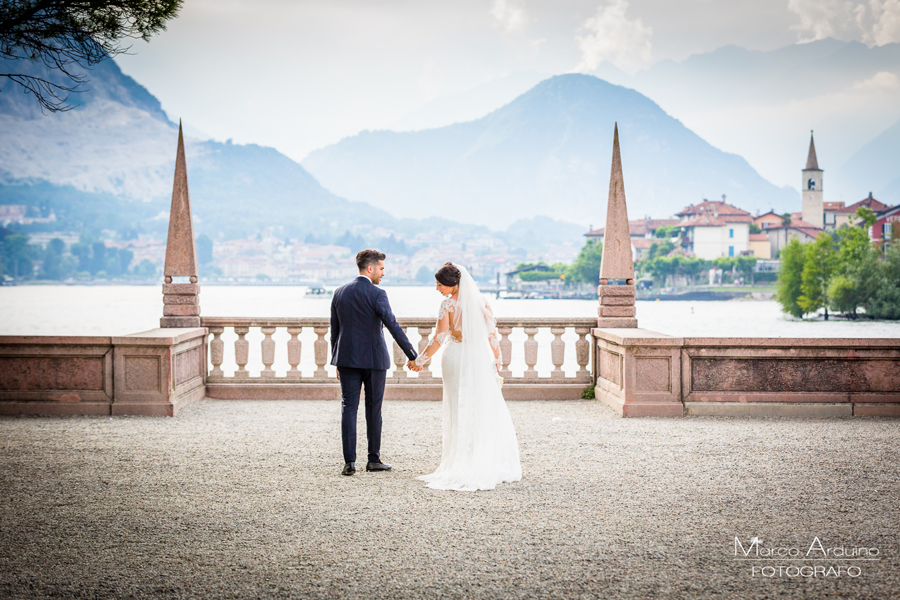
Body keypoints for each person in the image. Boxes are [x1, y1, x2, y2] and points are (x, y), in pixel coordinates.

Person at [412, 262, 522, 491]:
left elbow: (439, 338)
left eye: (440, 284)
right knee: (481, 405)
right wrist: (497, 359)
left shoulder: (447, 306)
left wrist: (420, 360)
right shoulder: (482, 303)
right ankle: (483, 458)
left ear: (453, 284)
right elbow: (492, 334)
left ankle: (461, 461)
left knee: (457, 406)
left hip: (455, 356)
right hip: (479, 357)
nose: (437, 289)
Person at [330, 249, 418, 476]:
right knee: (373, 409)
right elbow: (392, 324)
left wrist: (336, 360)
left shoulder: (339, 293)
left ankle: (349, 463)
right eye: (381, 268)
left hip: (347, 359)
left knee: (348, 408)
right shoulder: (378, 294)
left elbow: (335, 331)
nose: (383, 274)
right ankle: (373, 460)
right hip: (374, 360)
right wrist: (411, 353)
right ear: (370, 268)